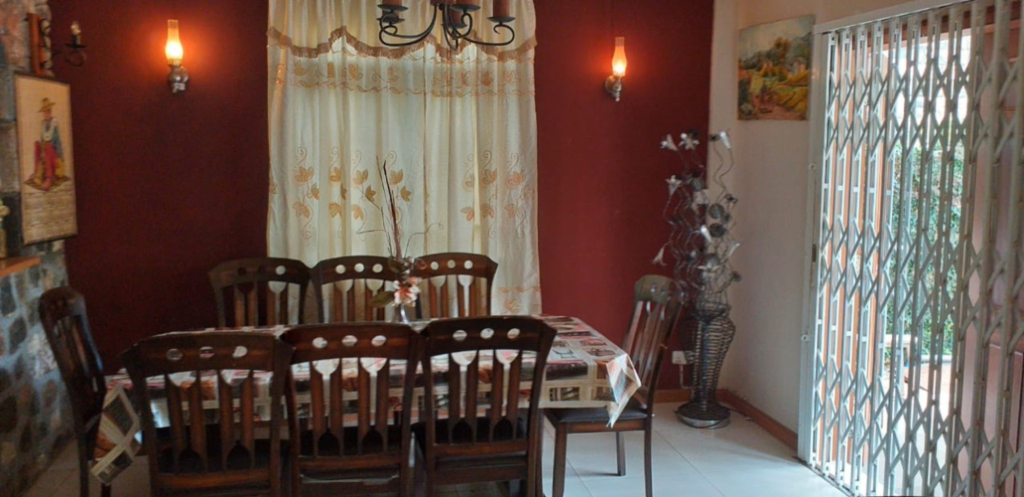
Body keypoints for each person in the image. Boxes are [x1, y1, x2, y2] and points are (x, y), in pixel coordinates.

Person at [26, 97, 68, 191]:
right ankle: (37, 172)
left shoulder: (54, 124)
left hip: (55, 157)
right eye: (44, 112)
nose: (45, 114)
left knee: (48, 146)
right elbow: (42, 140)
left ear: (50, 112)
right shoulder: (43, 124)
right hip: (46, 152)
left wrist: (60, 159)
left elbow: (57, 143)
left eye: (47, 112)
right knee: (37, 144)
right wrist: (42, 151)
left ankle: (49, 177)